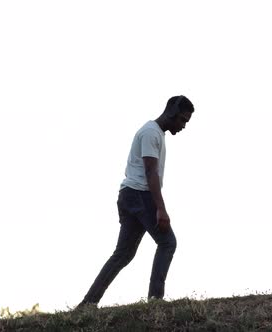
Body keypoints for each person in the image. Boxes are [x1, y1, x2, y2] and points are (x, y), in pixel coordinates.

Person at [78, 95, 194, 308]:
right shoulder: (151, 133)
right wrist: (161, 209)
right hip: (141, 195)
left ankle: (87, 304)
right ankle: (155, 303)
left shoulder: (155, 132)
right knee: (168, 242)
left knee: (123, 254)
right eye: (182, 120)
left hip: (130, 195)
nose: (184, 125)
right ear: (171, 113)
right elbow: (150, 172)